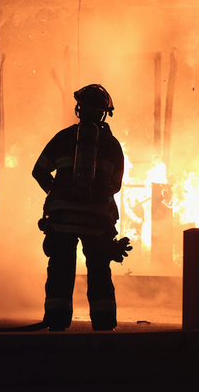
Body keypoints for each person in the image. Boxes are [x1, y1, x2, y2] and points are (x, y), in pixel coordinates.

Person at [32, 84, 131, 331]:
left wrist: (57, 192)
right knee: (99, 271)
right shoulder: (112, 145)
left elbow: (39, 171)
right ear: (103, 113)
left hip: (62, 218)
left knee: (60, 270)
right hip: (97, 221)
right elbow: (116, 185)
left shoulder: (63, 138)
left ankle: (56, 321)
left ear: (80, 108)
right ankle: (104, 323)